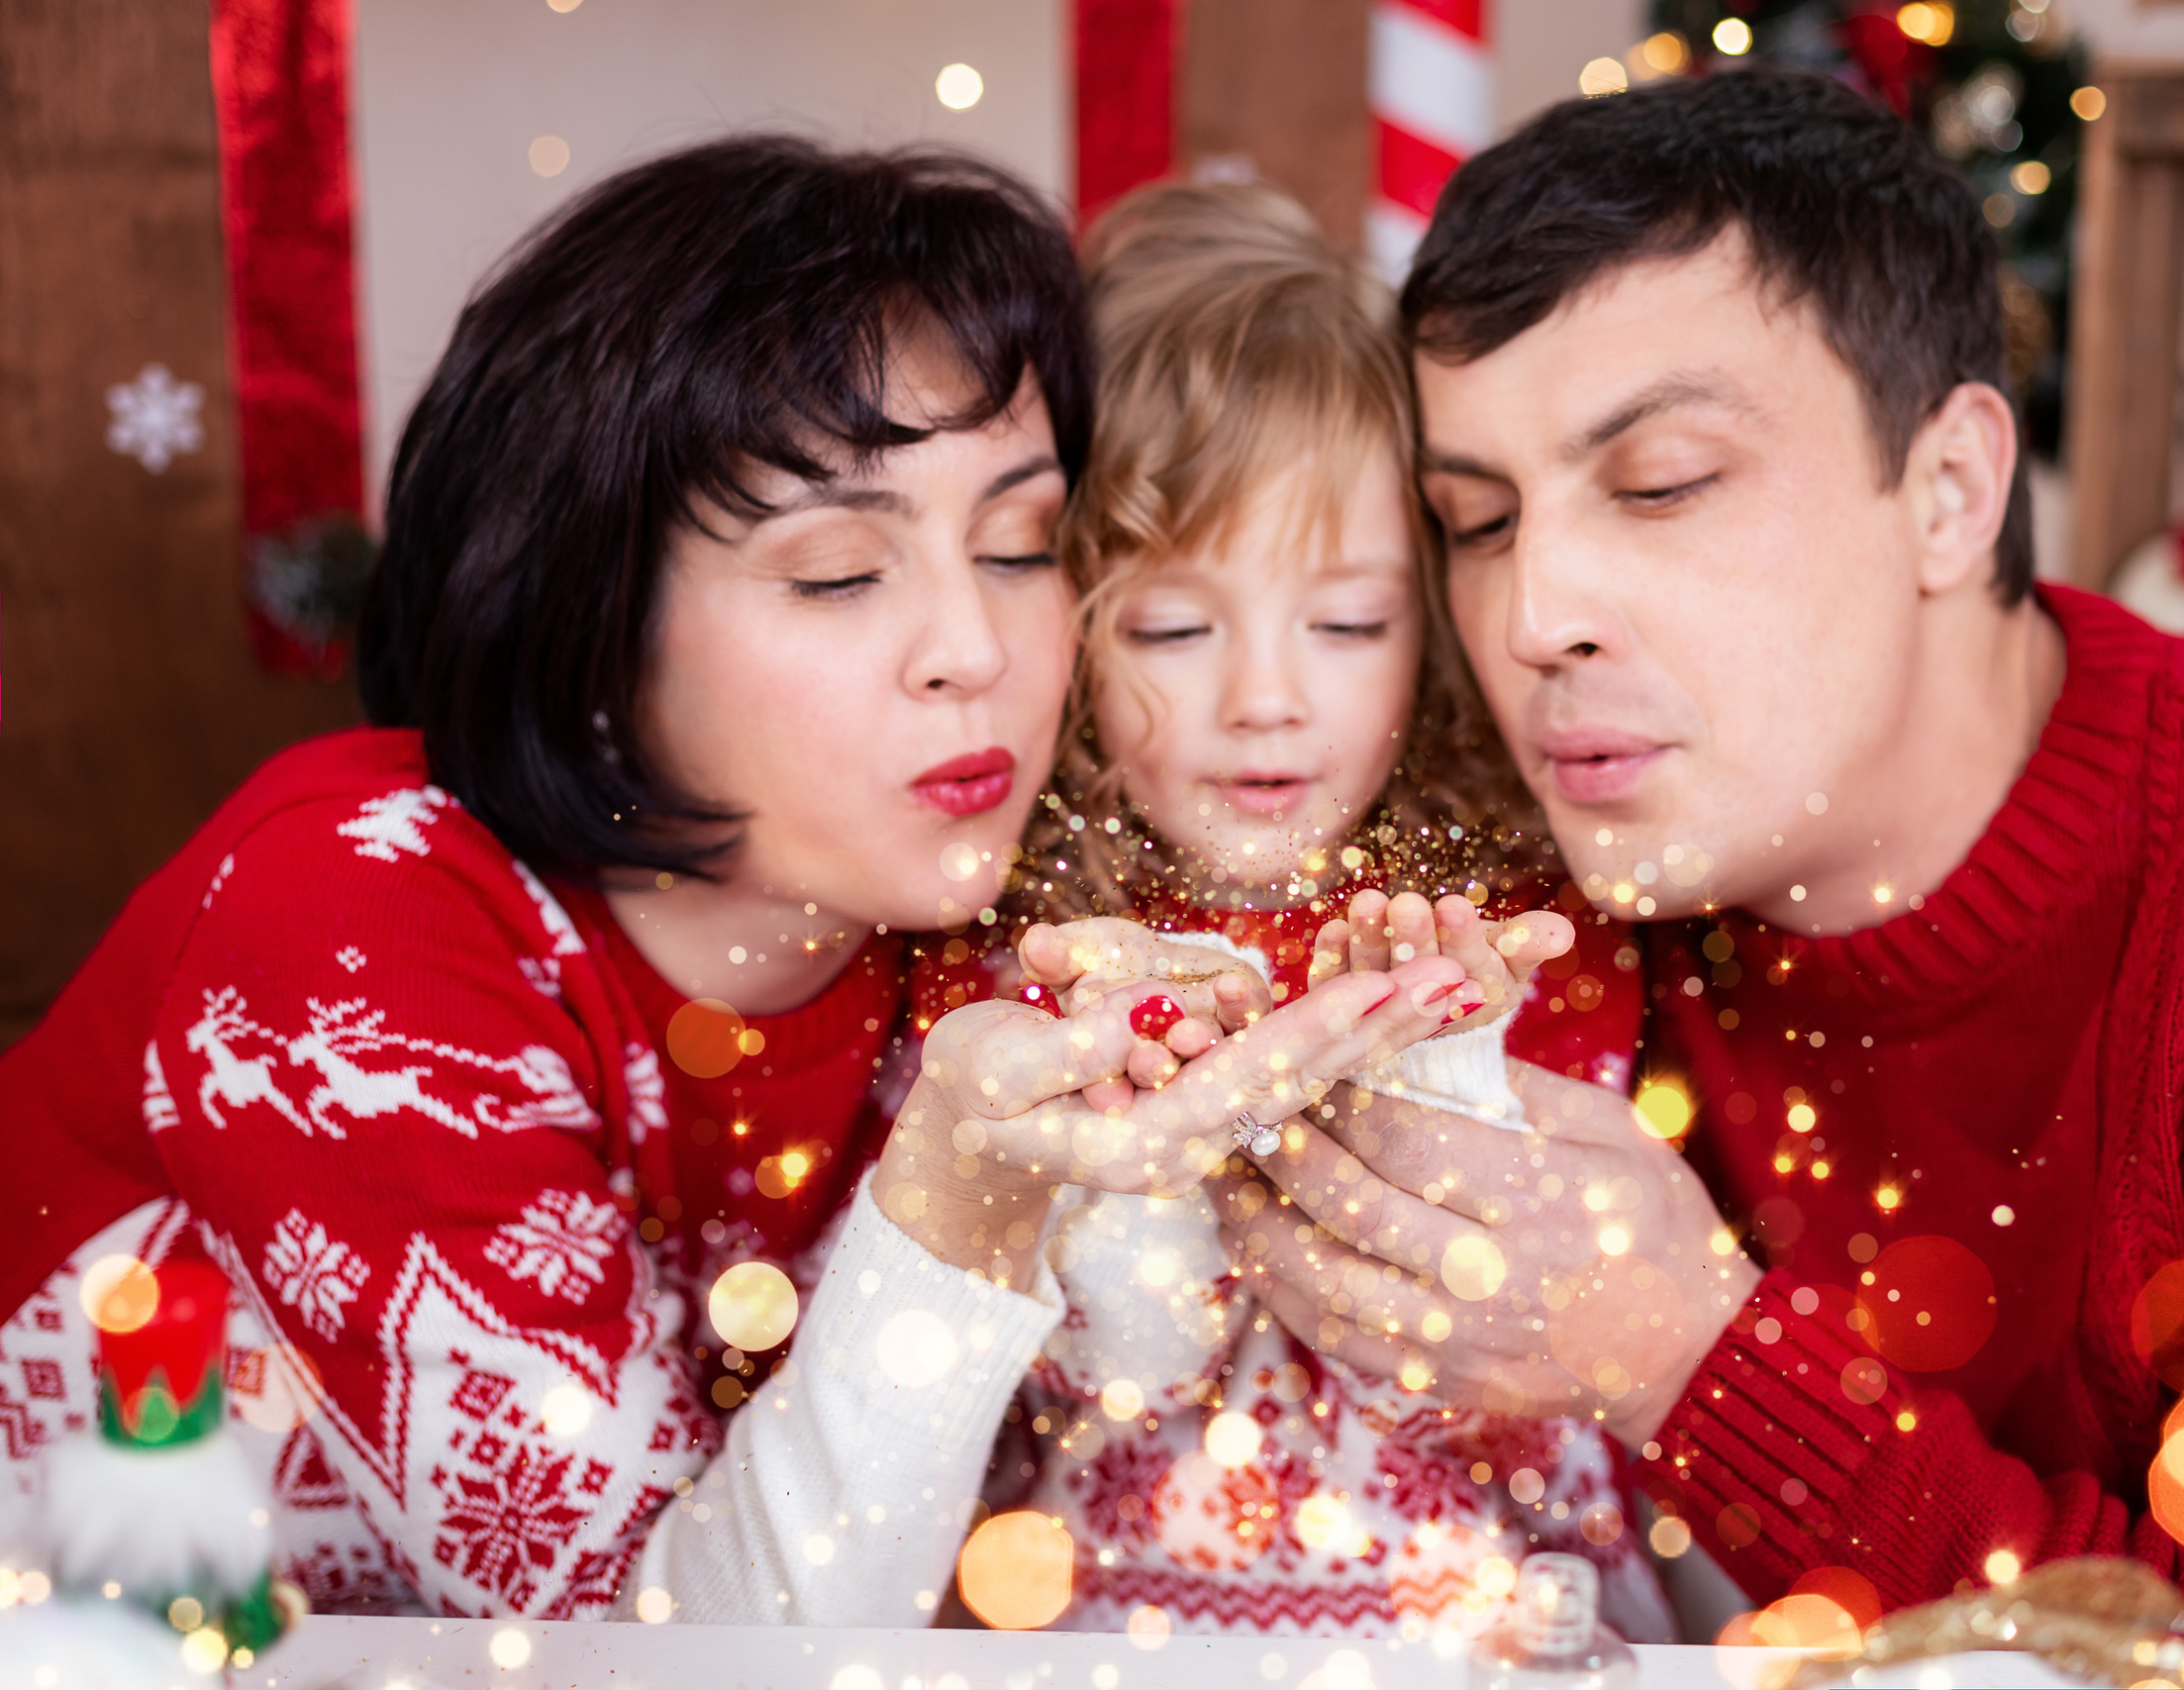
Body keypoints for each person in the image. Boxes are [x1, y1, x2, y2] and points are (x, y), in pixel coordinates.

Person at [0, 138, 1470, 1627]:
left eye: (1023, 545)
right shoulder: (347, 927)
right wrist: (963, 1200)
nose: (975, 647)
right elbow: (654, 1661)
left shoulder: (986, 937)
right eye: (840, 573)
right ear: (586, 620)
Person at [1224, 68, 2184, 1655]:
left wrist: (1686, 1359)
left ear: (1952, 493)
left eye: (1662, 485)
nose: (1529, 618)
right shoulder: (1520, 903)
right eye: (1477, 519)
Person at [967, 182, 1673, 1639]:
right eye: (1172, 625)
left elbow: (1519, 1359)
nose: (1268, 699)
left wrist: (1436, 1061)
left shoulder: (1517, 935)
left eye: (1347, 624)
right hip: (1116, 1623)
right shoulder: (1019, 953)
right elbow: (1105, 1362)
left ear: (1429, 619)